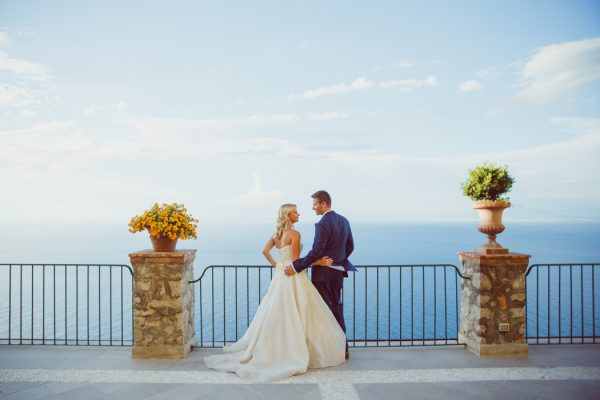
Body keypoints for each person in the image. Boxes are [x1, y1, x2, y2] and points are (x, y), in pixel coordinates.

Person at [203, 204, 346, 382]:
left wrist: (276, 265)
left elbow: (265, 251)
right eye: (295, 212)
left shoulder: (276, 234)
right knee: (301, 310)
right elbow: (296, 261)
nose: (298, 214)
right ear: (288, 215)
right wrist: (319, 262)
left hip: (280, 275)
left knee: (278, 312)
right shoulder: (295, 234)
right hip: (293, 276)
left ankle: (276, 347)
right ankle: (296, 349)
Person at [284, 190, 356, 360]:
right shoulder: (344, 221)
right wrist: (337, 260)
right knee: (337, 308)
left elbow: (317, 252)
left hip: (323, 274)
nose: (313, 208)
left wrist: (296, 266)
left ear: (324, 204)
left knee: (322, 312)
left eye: (315, 204)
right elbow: (350, 247)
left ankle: (326, 351)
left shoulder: (323, 223)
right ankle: (343, 348)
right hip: (338, 272)